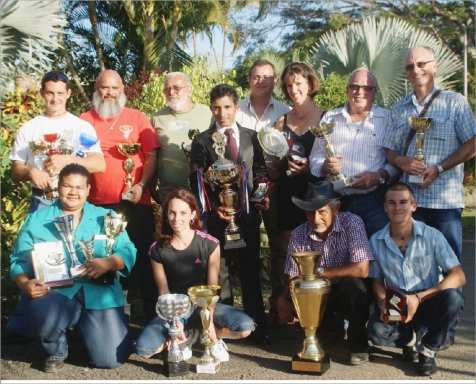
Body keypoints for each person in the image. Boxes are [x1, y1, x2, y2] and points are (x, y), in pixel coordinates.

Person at [3, 71, 105, 345]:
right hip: (43, 200)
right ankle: (26, 323)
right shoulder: (30, 128)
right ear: (42, 94)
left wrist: (66, 160)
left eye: (61, 93)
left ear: (69, 93)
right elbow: (17, 167)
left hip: (74, 201)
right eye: (50, 93)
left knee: (75, 260)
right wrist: (31, 173)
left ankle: (72, 318)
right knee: (35, 261)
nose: (55, 98)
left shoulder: (82, 126)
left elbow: (99, 164)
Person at [384, 46, 475, 348]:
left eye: (421, 64)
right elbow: (389, 150)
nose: (415, 70)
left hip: (444, 204)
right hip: (410, 208)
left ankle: (443, 332)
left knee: (449, 270)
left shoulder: (455, 103)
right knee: (405, 267)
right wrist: (402, 162)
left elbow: (473, 142)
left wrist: (439, 167)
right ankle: (408, 328)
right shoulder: (399, 109)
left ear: (434, 66)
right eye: (409, 66)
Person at [8, 164, 136, 372]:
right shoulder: (37, 220)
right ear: (59, 187)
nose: (73, 192)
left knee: (110, 360)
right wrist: (25, 283)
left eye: (79, 187)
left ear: (88, 189)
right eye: (67, 186)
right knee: (42, 314)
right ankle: (55, 350)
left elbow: (128, 251)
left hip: (98, 291)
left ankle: (84, 330)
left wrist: (107, 263)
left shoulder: (106, 217)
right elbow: (18, 260)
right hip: (55, 292)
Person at [189, 84, 271, 345]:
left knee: (251, 273)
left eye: (226, 107)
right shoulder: (202, 140)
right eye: (216, 107)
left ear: (237, 107)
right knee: (220, 274)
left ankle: (257, 327)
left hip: (246, 216)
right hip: (216, 219)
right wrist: (215, 207)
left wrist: (260, 193)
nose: (221, 113)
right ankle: (223, 328)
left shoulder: (251, 136)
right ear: (211, 108)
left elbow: (260, 170)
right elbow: (196, 180)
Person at [134, 189, 254, 363]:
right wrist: (176, 323)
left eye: (183, 213)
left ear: (192, 214)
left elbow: (212, 290)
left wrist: (209, 322)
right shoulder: (157, 249)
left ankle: (204, 335)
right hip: (175, 307)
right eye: (172, 213)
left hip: (203, 305)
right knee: (144, 350)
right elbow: (164, 293)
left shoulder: (210, 244)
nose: (177, 218)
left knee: (245, 328)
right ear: (166, 215)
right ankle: (184, 336)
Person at [80, 69, 160, 323]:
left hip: (135, 201)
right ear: (97, 88)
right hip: (97, 205)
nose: (110, 93)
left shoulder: (137, 118)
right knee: (105, 261)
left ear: (122, 89)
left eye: (115, 88)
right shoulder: (84, 120)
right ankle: (112, 318)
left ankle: (152, 317)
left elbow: (152, 155)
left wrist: (141, 185)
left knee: (143, 260)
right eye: (105, 88)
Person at [366, 182, 465, 376]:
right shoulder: (376, 240)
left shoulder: (432, 236)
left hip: (427, 299)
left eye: (403, 202)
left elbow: (458, 275)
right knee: (375, 332)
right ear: (385, 207)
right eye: (392, 203)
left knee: (454, 298)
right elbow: (376, 281)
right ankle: (410, 338)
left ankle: (428, 349)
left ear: (414, 205)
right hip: (397, 302)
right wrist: (381, 300)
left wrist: (419, 297)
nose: (397, 207)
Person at [277, 181, 374, 366]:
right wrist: (283, 299)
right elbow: (292, 275)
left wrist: (317, 273)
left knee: (354, 286)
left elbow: (362, 269)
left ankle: (358, 345)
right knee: (319, 335)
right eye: (309, 212)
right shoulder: (298, 233)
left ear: (335, 209)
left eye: (322, 211)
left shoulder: (352, 223)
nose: (315, 218)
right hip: (318, 294)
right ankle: (332, 330)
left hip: (346, 289)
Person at [309, 68, 399, 238]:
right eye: (354, 86)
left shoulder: (388, 119)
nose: (360, 92)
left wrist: (379, 176)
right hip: (337, 203)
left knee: (378, 257)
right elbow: (315, 157)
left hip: (376, 203)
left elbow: (395, 160)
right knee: (340, 257)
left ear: (375, 92)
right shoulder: (330, 118)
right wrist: (324, 166)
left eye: (367, 88)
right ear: (347, 90)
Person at [236, 59, 291, 328]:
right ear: (249, 80)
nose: (261, 81)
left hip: (276, 189)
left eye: (267, 77)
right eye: (256, 76)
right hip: (241, 191)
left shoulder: (286, 112)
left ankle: (278, 306)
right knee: (245, 248)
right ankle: (250, 308)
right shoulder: (234, 111)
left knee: (279, 250)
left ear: (274, 79)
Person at [274, 62, 326, 242]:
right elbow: (276, 162)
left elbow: (331, 157)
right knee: (294, 249)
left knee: (321, 246)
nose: (293, 89)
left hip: (317, 191)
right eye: (289, 85)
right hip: (289, 191)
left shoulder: (326, 117)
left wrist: (310, 167)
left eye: (298, 84)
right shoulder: (281, 121)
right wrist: (278, 159)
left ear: (310, 85)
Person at [150, 72, 214, 205]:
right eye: (167, 89)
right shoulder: (157, 118)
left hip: (203, 192)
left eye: (176, 88)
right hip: (169, 194)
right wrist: (152, 189)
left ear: (189, 90)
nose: (171, 92)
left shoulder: (208, 114)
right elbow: (153, 156)